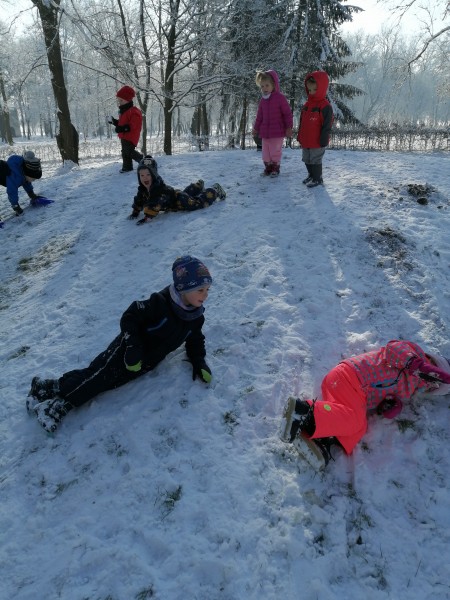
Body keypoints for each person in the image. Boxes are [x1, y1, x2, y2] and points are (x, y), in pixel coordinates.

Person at [27, 256, 214, 433]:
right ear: (183, 288)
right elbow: (130, 316)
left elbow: (195, 340)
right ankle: (58, 406)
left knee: (107, 383)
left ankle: (46, 387)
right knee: (97, 377)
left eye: (207, 290)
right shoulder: (159, 304)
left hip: (144, 363)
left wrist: (198, 360)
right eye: (200, 290)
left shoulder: (195, 317)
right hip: (126, 350)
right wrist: (133, 346)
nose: (205, 295)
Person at [281, 340, 450, 467]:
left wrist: (388, 405)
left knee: (359, 427)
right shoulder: (411, 352)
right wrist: (415, 364)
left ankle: (321, 438)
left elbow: (385, 388)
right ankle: (303, 411)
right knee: (354, 420)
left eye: (433, 387)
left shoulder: (409, 389)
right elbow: (393, 349)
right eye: (434, 377)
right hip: (349, 376)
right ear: (433, 362)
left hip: (353, 394)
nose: (430, 383)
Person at [127, 155, 226, 224]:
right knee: (187, 194)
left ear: (154, 175)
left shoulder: (158, 189)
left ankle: (215, 190)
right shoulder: (143, 189)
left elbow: (154, 205)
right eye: (142, 175)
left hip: (179, 201)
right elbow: (139, 200)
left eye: (148, 174)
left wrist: (147, 217)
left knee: (196, 203)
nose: (145, 178)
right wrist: (135, 211)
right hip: (176, 195)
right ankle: (197, 186)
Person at [252, 70, 293, 177]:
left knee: (275, 151)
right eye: (262, 86)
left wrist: (289, 127)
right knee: (265, 152)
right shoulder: (263, 100)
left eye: (267, 85)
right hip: (265, 132)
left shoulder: (280, 98)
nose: (264, 88)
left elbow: (287, 114)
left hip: (277, 131)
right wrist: (256, 128)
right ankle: (268, 167)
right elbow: (259, 116)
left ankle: (275, 168)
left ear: (274, 85)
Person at [297, 70, 334, 188]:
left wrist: (324, 138)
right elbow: (302, 122)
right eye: (309, 90)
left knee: (315, 160)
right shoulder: (307, 105)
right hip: (306, 140)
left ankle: (318, 178)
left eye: (314, 90)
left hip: (317, 141)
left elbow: (327, 125)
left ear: (322, 88)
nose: (311, 92)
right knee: (306, 159)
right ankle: (311, 175)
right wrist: (299, 136)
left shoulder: (325, 106)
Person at [108, 85, 143, 173]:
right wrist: (114, 121)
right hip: (124, 136)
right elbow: (121, 124)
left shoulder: (134, 111)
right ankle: (127, 167)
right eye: (119, 100)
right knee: (124, 152)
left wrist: (122, 129)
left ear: (128, 100)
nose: (119, 103)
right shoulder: (124, 111)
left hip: (131, 136)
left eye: (121, 100)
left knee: (128, 151)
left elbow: (132, 125)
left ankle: (141, 159)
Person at [0, 150, 42, 215]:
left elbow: (26, 183)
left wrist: (31, 194)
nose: (34, 180)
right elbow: (12, 192)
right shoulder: (14, 177)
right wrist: (16, 206)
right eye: (33, 179)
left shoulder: (23, 171)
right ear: (28, 175)